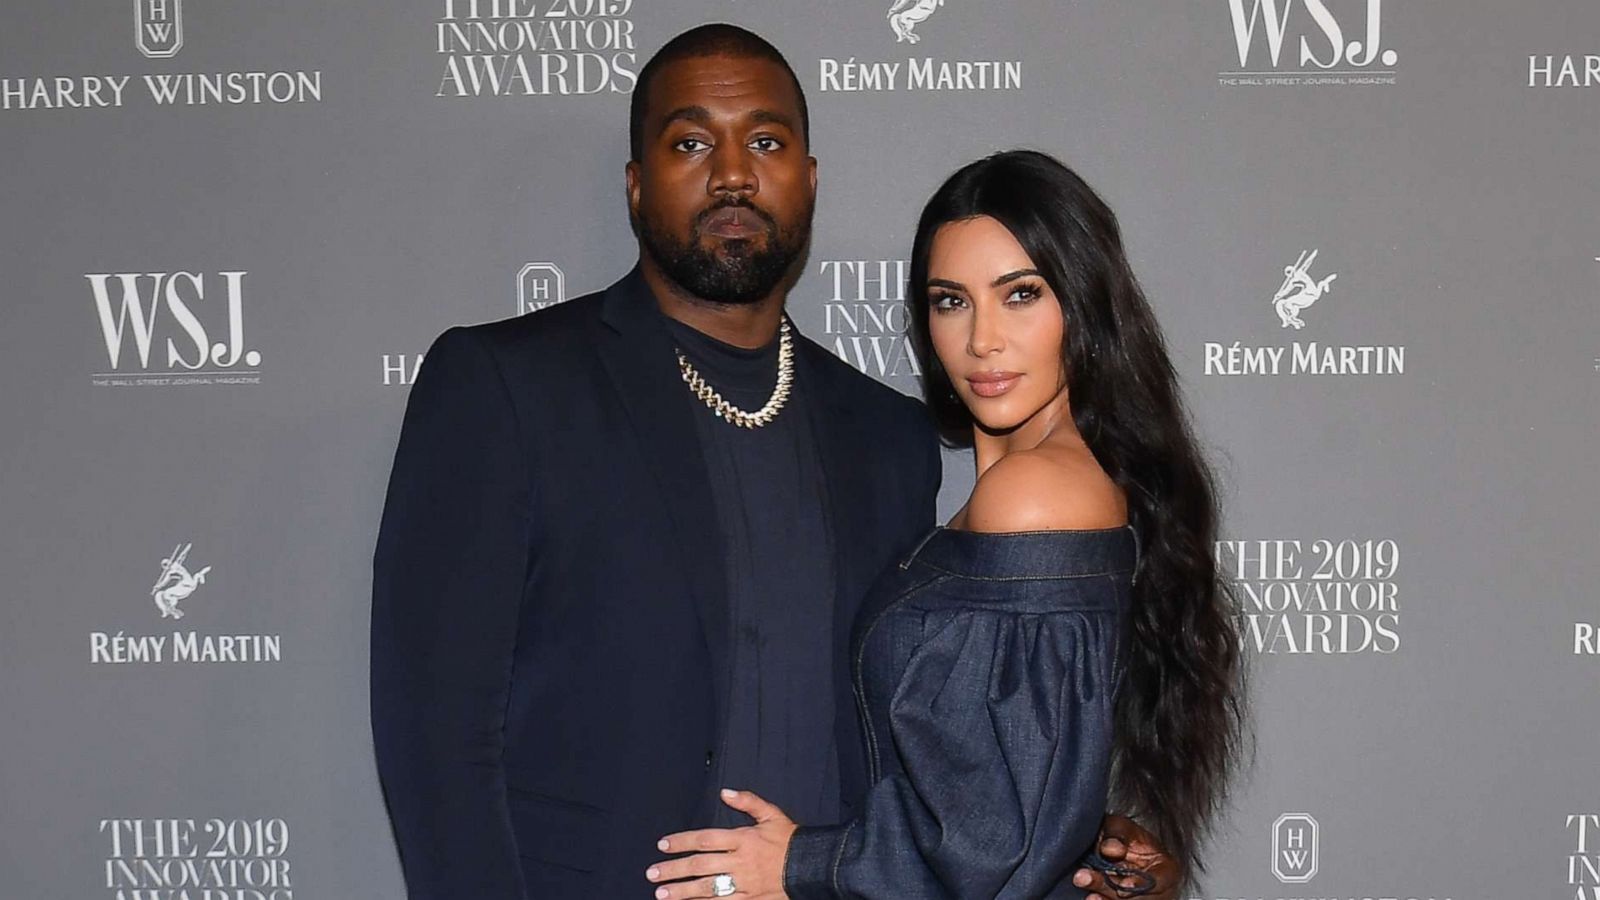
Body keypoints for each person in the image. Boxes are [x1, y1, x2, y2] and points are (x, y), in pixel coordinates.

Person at [371, 21, 1180, 897]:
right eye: (690, 142)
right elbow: (437, 735)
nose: (731, 172)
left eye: (764, 140)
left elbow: (912, 737)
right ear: (637, 187)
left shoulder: (888, 435)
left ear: (809, 179)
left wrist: (1057, 832)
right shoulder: (506, 386)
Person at [643, 151, 1245, 899]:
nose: (982, 339)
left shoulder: (1033, 496)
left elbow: (992, 843)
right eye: (951, 300)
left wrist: (798, 863)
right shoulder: (1045, 487)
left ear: (1084, 305)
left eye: (1020, 294)